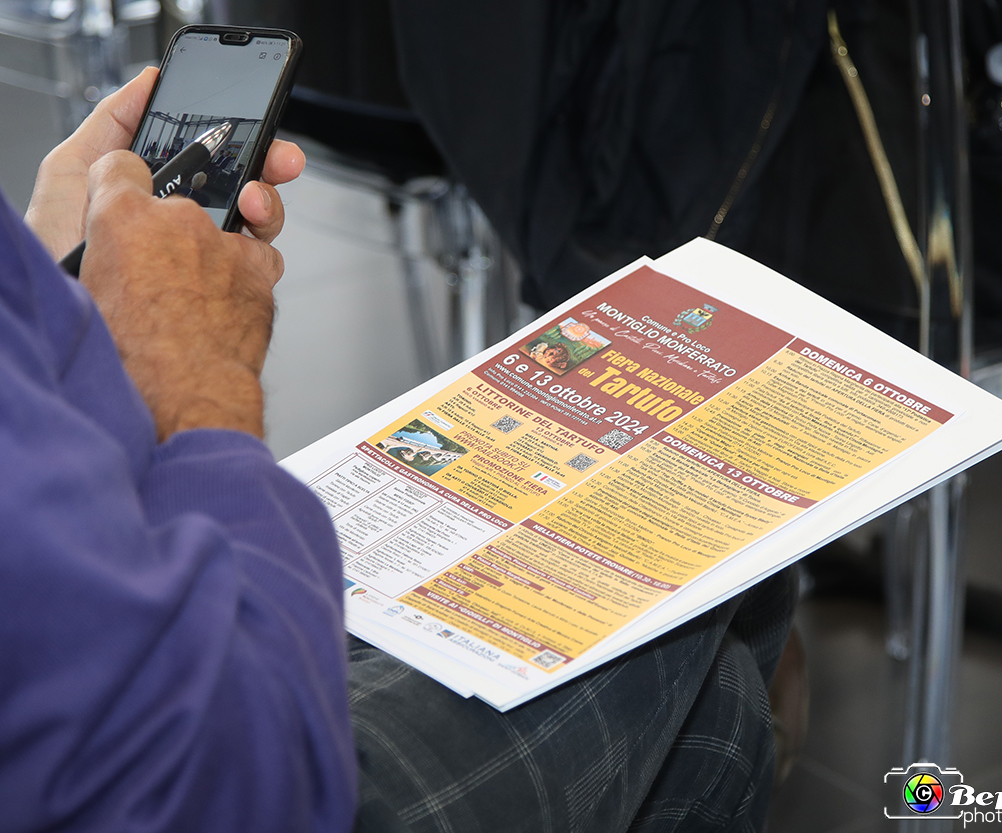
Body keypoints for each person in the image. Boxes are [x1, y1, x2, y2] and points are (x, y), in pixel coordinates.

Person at [6, 68, 795, 832]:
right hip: (212, 765)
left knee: (712, 709)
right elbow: (235, 783)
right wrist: (195, 379)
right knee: (707, 601)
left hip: (96, 633)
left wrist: (51, 294)